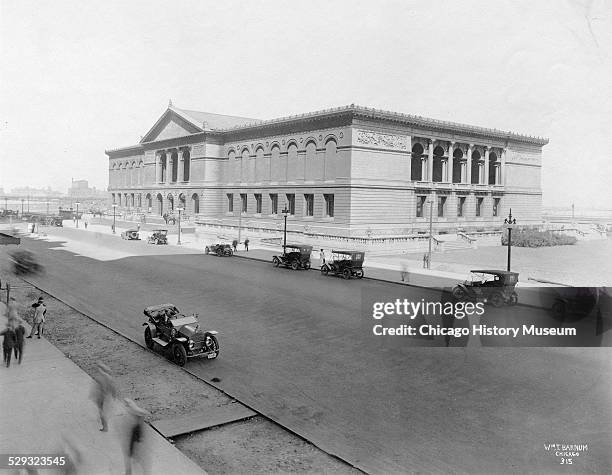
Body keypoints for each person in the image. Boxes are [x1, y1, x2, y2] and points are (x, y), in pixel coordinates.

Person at [123, 398, 151, 475]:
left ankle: (129, 472)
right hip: (135, 433)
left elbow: (141, 413)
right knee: (132, 455)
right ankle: (130, 472)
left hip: (135, 433)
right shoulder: (133, 409)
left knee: (132, 455)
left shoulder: (134, 410)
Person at [89, 363, 117, 432]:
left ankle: (105, 427)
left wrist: (94, 394)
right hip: (104, 396)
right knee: (101, 410)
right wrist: (114, 395)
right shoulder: (108, 377)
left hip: (102, 397)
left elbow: (98, 388)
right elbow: (113, 387)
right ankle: (103, 422)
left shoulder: (100, 377)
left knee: (102, 412)